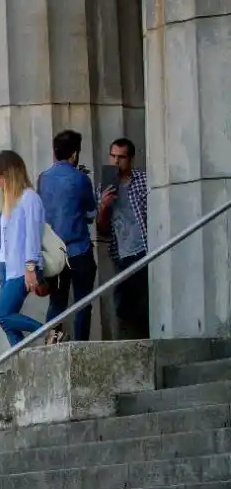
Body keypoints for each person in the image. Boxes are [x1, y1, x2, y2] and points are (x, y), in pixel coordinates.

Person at [37, 129, 98, 342]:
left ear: (54, 154)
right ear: (74, 155)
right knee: (83, 302)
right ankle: (81, 346)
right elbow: (91, 212)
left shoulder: (42, 179)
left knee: (57, 302)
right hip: (79, 249)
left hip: (55, 252)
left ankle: (51, 346)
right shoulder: (81, 179)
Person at [0, 150, 49, 347]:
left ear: (9, 174)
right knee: (7, 321)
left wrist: (30, 267)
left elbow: (33, 234)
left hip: (23, 266)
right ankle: (21, 359)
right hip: (8, 268)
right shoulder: (8, 203)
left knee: (1, 314)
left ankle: (49, 332)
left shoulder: (29, 198)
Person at [96, 137, 150, 339]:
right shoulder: (104, 188)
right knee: (123, 306)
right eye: (113, 156)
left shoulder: (144, 181)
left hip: (145, 251)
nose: (116, 162)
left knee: (145, 305)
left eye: (121, 157)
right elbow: (102, 231)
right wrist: (103, 207)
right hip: (121, 256)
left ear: (131, 159)